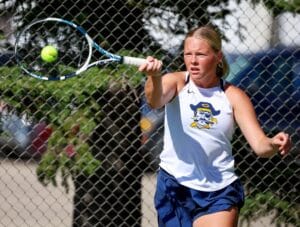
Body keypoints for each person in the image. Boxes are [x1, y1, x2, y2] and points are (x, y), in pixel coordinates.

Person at [138, 24, 292, 227]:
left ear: (218, 57)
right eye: (188, 54)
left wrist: (274, 143)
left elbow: (260, 146)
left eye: (200, 54)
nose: (193, 61)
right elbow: (154, 100)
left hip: (219, 191)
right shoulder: (176, 83)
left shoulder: (233, 96)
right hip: (174, 186)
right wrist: (154, 77)